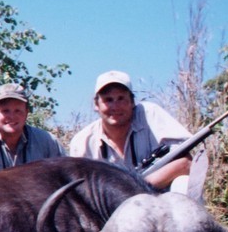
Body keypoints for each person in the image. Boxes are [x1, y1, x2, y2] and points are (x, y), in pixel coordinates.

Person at [70, 70, 198, 192]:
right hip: (111, 207)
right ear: (96, 105)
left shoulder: (151, 115)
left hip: (159, 198)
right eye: (108, 100)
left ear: (132, 102)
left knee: (183, 183)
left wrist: (138, 187)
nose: (115, 107)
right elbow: (80, 189)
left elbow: (185, 163)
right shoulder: (82, 142)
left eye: (121, 98)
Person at [0, 83, 65, 173]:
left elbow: (65, 177)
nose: (11, 116)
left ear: (26, 113)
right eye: (5, 111)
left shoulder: (47, 141)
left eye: (18, 111)